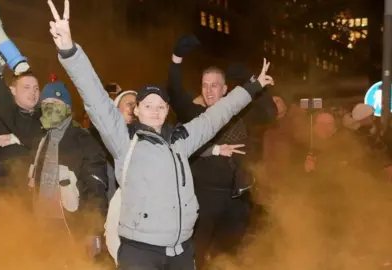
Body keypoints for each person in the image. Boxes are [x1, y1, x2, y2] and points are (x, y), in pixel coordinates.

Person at [45, 1, 274, 268]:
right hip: (140, 253)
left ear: (167, 110)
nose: (155, 111)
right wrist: (70, 51)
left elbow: (218, 115)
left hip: (181, 252)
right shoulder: (124, 142)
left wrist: (252, 86)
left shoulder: (181, 140)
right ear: (138, 111)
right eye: (148, 105)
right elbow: (95, 97)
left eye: (160, 106)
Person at [168, 35, 275, 268]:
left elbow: (270, 112)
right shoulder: (195, 115)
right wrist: (176, 60)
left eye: (214, 85)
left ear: (226, 89)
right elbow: (175, 93)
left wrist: (251, 79)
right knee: (198, 256)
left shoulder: (242, 113)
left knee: (230, 257)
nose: (208, 90)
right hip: (203, 199)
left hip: (237, 199)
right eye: (204, 85)